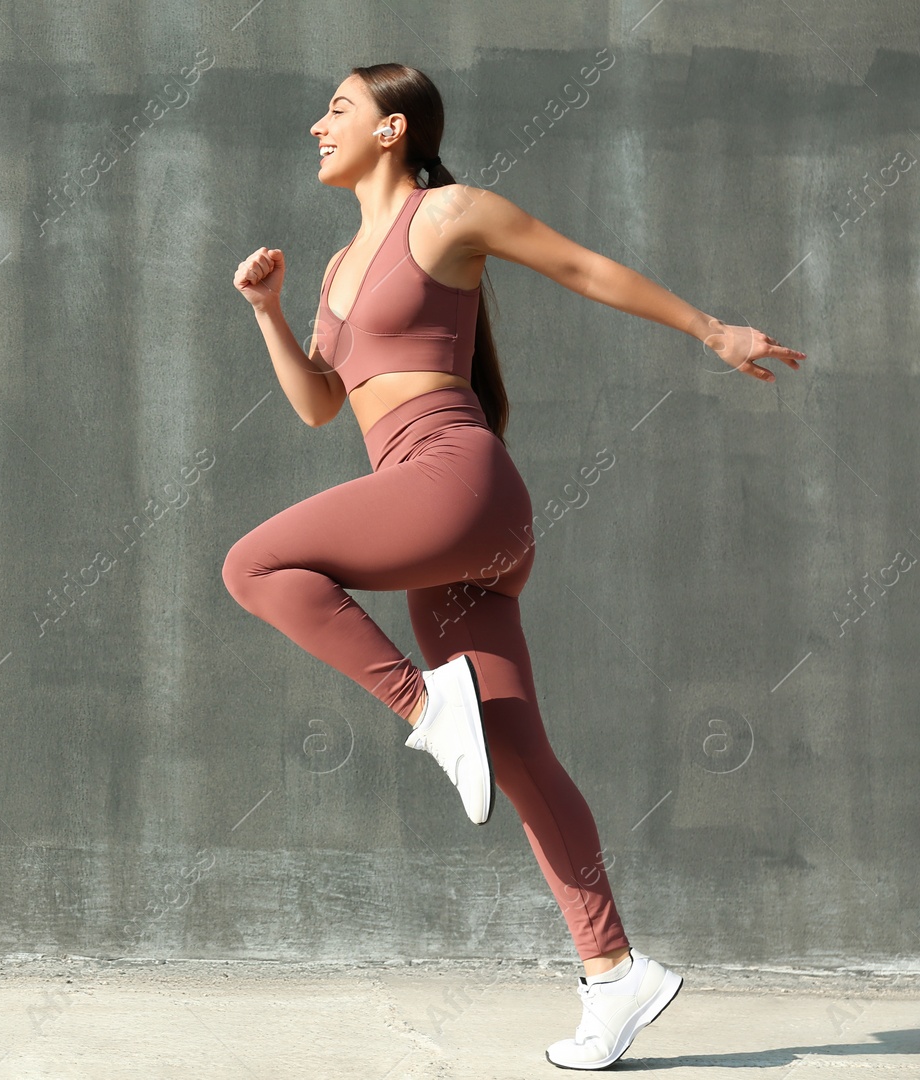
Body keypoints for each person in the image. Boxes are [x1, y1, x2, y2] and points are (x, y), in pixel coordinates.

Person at [221, 62, 804, 1070]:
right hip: (453, 531)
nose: (318, 124)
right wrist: (269, 311)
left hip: (455, 481)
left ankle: (421, 709)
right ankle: (615, 973)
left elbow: (579, 268)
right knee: (518, 752)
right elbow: (322, 405)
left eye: (339, 109)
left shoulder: (446, 218)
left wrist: (710, 329)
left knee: (254, 566)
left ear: (392, 129)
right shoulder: (330, 269)